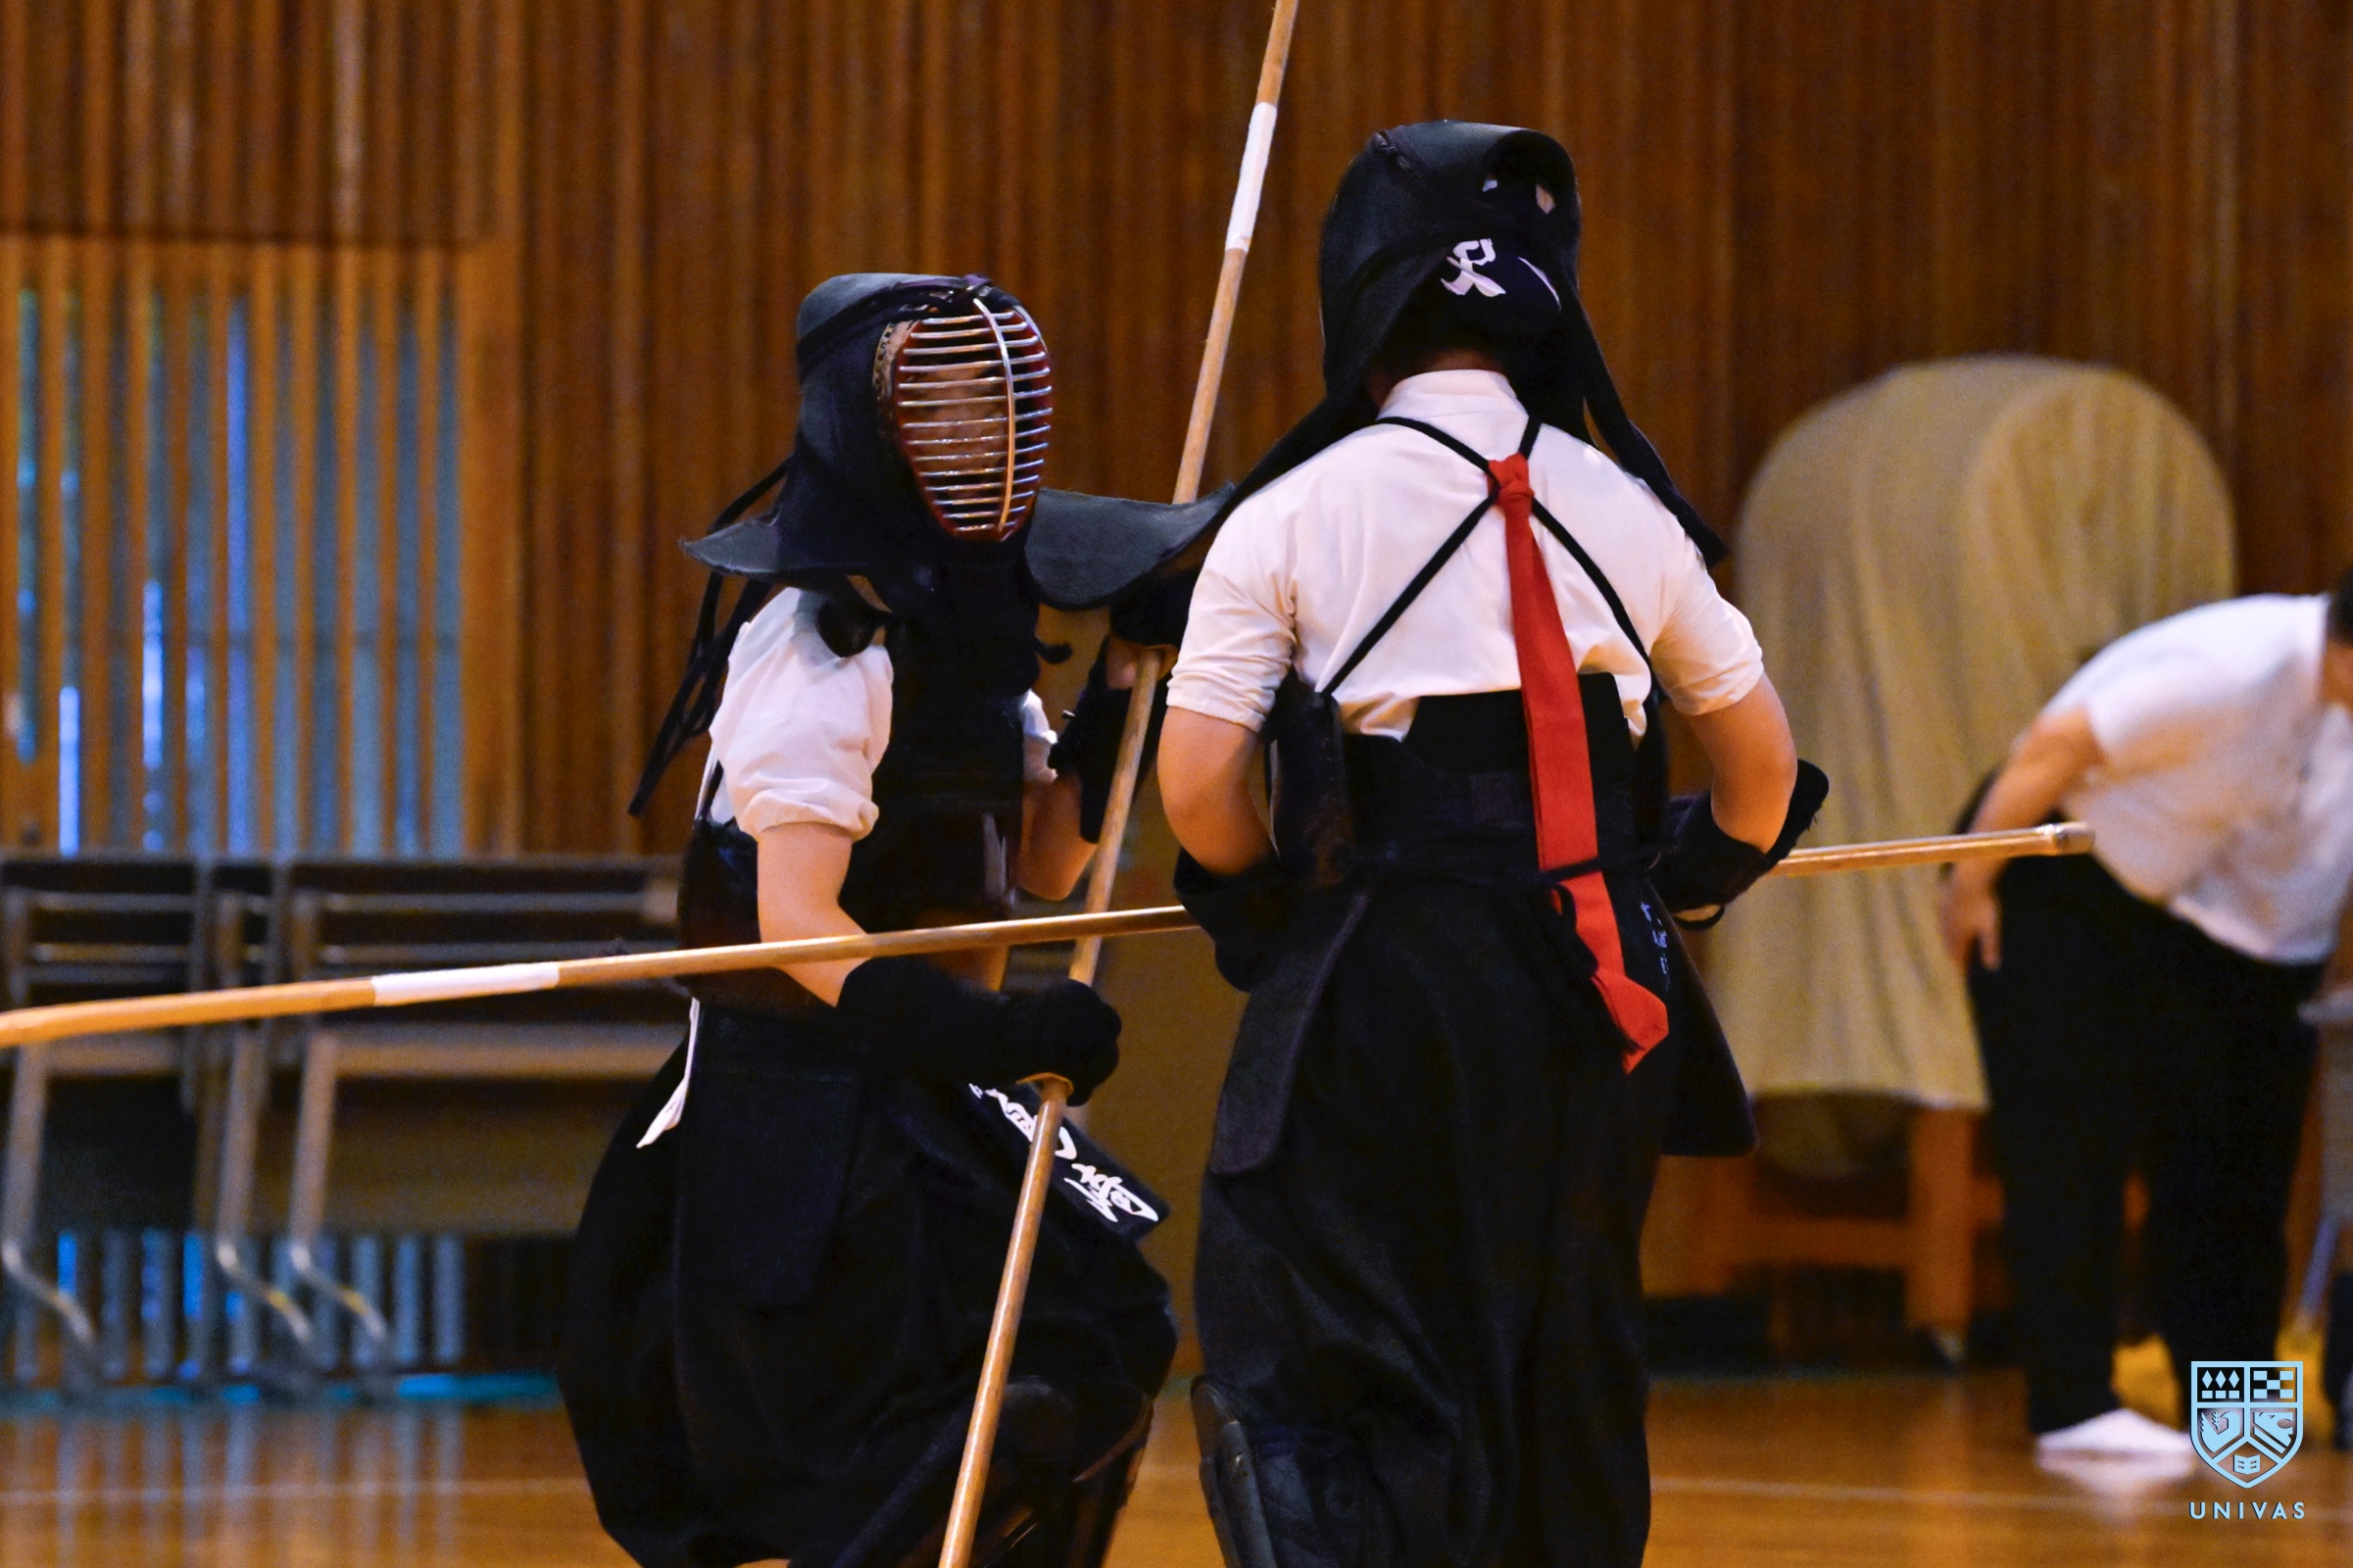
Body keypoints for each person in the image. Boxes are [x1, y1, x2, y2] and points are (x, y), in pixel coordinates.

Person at [1156, 122, 1826, 1568]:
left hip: (1384, 983)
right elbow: (1763, 778)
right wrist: (1689, 876)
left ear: (1362, 306)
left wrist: (1259, 906)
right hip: (1600, 988)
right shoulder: (1626, 508)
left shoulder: (1290, 514)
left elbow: (1197, 784)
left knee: (1353, 1359)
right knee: (1567, 1359)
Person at [559, 272, 1219, 1568]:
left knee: (1100, 1340)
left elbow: (1044, 861)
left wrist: (1121, 686)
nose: (978, 437)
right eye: (942, 407)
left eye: (993, 407)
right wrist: (991, 1033)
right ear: (866, 429)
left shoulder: (965, 636)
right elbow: (795, 925)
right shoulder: (822, 652)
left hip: (930, 1082)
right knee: (898, 1433)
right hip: (800, 1110)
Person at [1939, 574, 2353, 1460]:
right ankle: (2071, 1409)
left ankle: (2226, 1427)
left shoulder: (2315, 690)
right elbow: (2052, 745)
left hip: (2134, 903)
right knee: (2065, 1141)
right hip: (2043, 870)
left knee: (2195, 1166)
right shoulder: (2233, 666)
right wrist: (1971, 883)